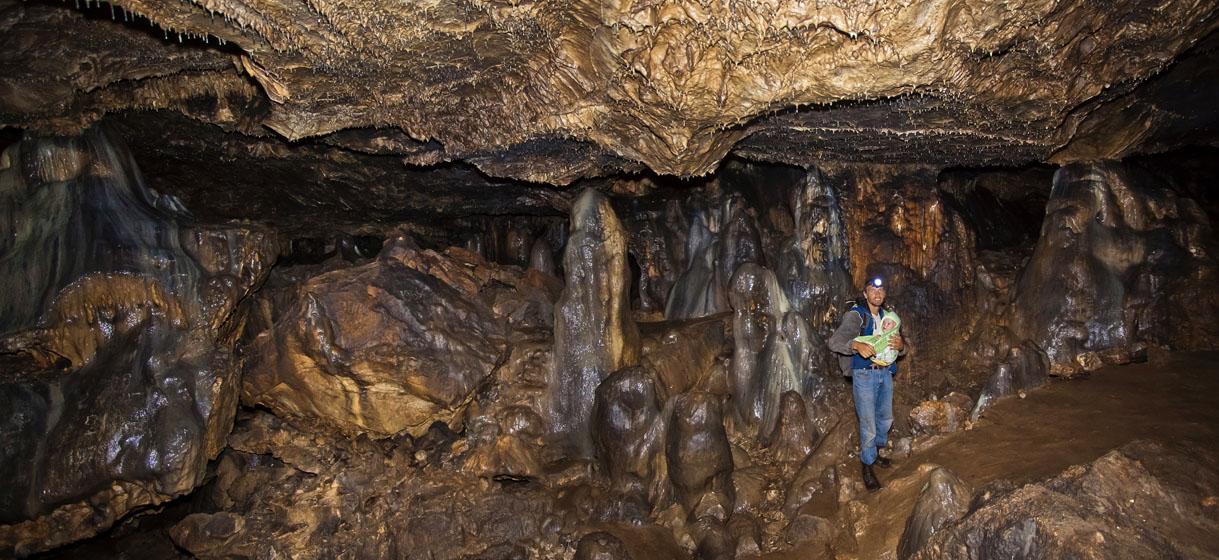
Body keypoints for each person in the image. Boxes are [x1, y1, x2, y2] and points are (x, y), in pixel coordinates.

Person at [828, 275, 905, 491]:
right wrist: (856, 346)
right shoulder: (857, 316)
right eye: (872, 290)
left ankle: (877, 453)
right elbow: (835, 342)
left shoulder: (889, 318)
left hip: (885, 374)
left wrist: (901, 347)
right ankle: (867, 465)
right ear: (865, 294)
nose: (877, 294)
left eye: (880, 291)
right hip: (865, 375)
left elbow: (899, 346)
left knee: (885, 418)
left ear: (884, 294)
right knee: (868, 422)